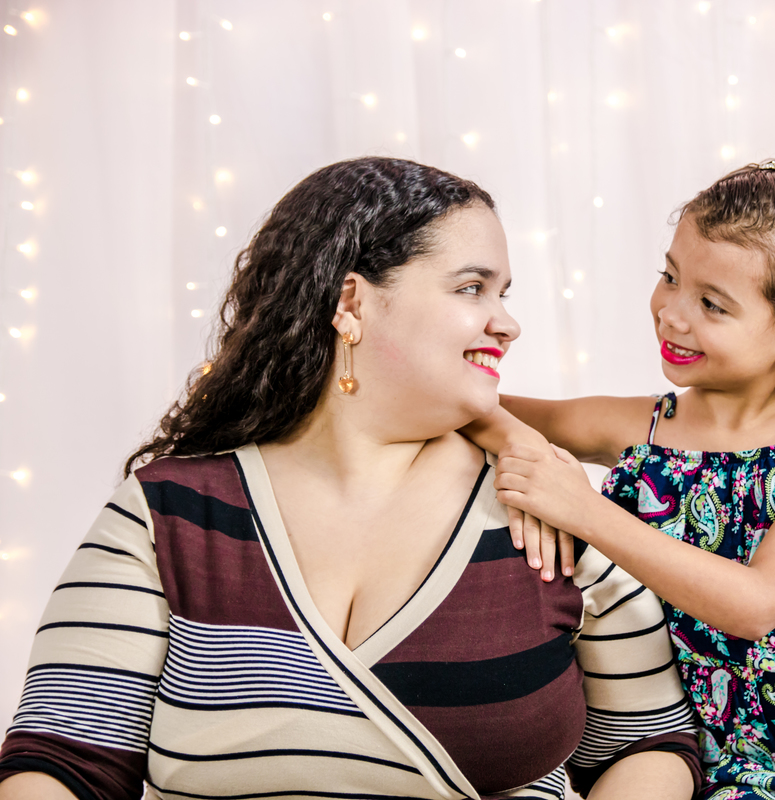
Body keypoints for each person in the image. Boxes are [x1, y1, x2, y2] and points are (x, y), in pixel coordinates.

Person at [0, 157, 701, 800]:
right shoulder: (168, 514)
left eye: (503, 293)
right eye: (471, 288)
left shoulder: (550, 507)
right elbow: (61, 761)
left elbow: (649, 744)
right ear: (352, 303)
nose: (508, 323)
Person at [463, 162, 775, 798]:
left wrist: (582, 508)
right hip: (700, 750)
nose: (672, 314)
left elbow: (755, 606)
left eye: (712, 304)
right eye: (670, 277)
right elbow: (471, 409)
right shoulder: (640, 426)